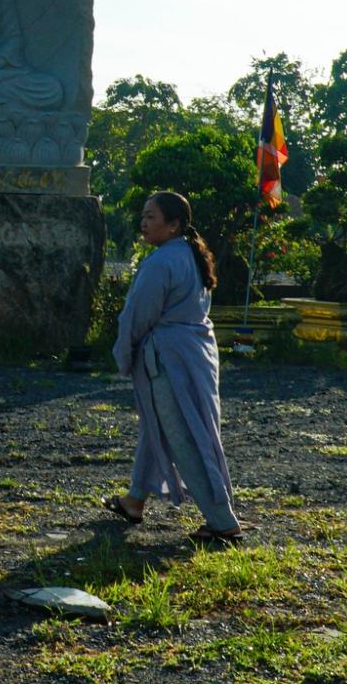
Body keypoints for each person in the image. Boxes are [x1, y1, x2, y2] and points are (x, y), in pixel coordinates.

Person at [104, 191, 241, 544]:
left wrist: (125, 352)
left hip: (169, 359)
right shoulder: (191, 256)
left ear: (174, 224)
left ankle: (222, 520)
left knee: (185, 435)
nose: (143, 223)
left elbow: (138, 316)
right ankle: (135, 500)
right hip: (195, 354)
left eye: (151, 217)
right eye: (144, 216)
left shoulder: (161, 262)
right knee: (161, 425)